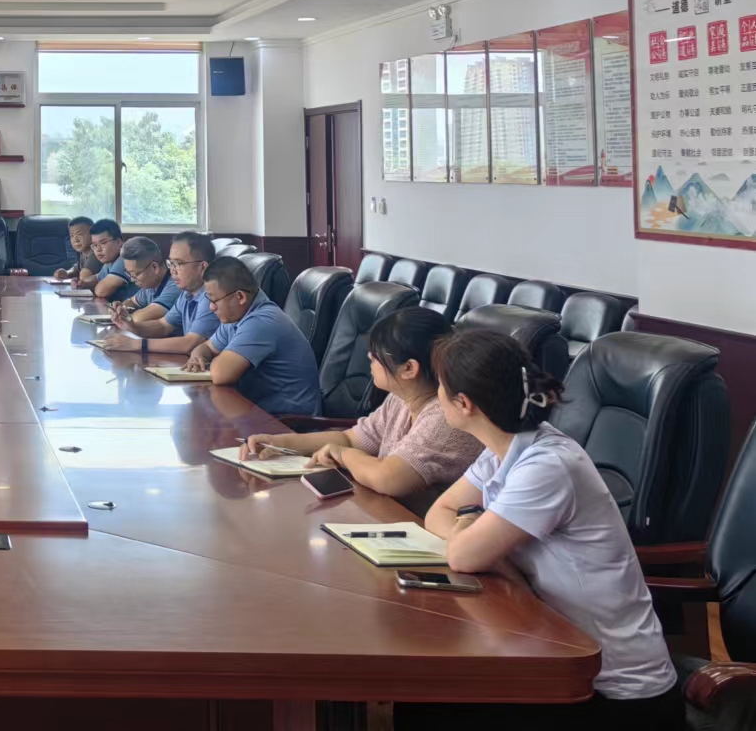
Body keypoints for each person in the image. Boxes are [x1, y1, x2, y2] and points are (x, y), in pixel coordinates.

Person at [394, 330, 684, 730]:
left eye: (441, 387)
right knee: (425, 697)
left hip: (613, 690)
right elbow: (439, 512)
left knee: (428, 703)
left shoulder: (547, 465)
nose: (436, 395)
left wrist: (474, 536)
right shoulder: (503, 451)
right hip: (552, 647)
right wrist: (478, 537)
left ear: (464, 403)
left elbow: (462, 555)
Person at [239, 308, 480, 509]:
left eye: (377, 353)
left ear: (409, 368)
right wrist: (279, 443)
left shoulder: (445, 416)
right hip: (388, 513)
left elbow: (388, 477)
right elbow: (350, 439)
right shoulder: (402, 398)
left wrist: (344, 456)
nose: (369, 356)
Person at [181, 257, 321, 417]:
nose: (211, 307)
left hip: (289, 422)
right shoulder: (237, 316)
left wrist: (214, 359)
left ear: (240, 297)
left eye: (214, 300)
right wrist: (198, 357)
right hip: (260, 412)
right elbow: (206, 347)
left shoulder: (261, 322)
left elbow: (221, 374)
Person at [102, 232, 218, 355]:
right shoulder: (187, 293)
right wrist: (131, 326)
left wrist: (135, 344)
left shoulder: (211, 296)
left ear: (202, 267)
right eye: (171, 263)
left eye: (178, 264)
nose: (172, 271)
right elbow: (163, 325)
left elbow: (191, 343)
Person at [88, 219, 137, 302]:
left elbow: (101, 291)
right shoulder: (110, 262)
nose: (98, 249)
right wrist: (81, 283)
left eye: (103, 243)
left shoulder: (126, 258)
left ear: (118, 242)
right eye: (94, 245)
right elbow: (95, 279)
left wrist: (89, 285)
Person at [53, 216, 96, 283]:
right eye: (72, 236)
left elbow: (84, 276)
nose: (75, 240)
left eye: (80, 234)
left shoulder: (95, 253)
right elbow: (77, 268)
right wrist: (66, 273)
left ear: (92, 234)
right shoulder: (83, 253)